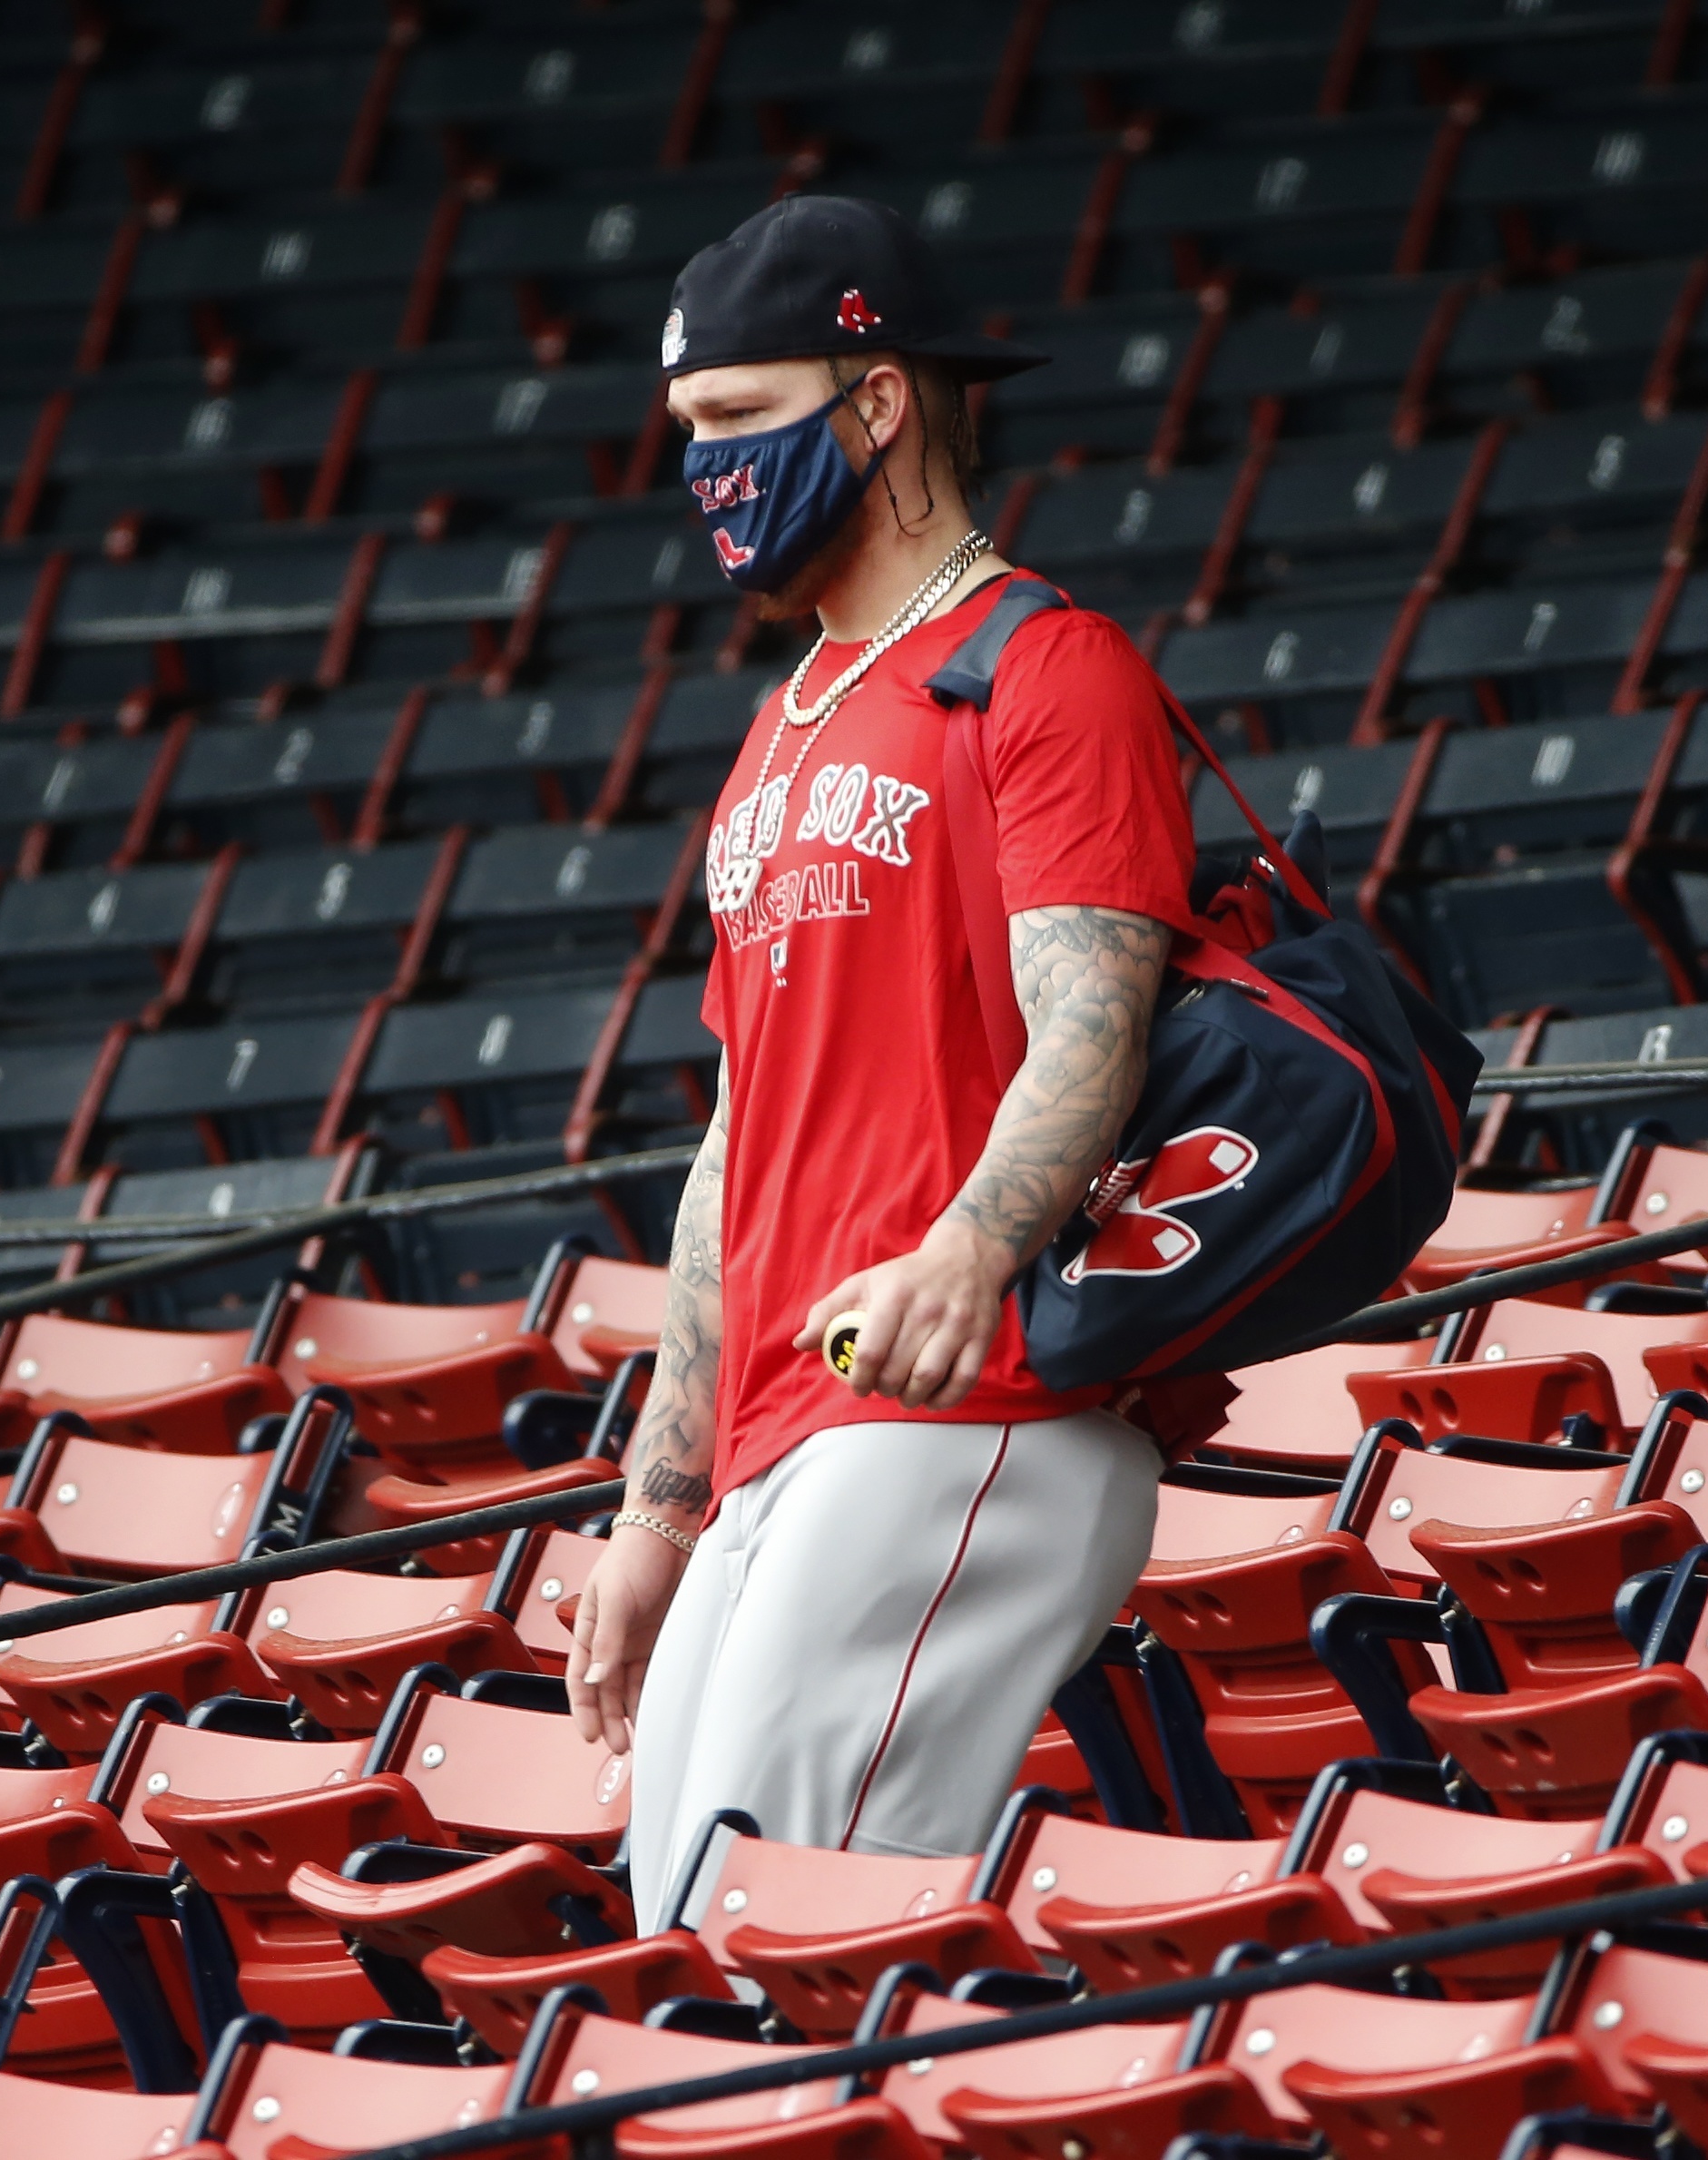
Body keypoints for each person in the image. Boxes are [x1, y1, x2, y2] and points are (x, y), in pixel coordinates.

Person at [563, 195, 1201, 1920]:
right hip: (783, 1425)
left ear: (877, 400)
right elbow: (733, 1142)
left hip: (968, 1394)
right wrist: (656, 1506)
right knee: (683, 1944)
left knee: (768, 1947)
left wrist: (974, 1245)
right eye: (683, 432)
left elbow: (1093, 1012)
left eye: (734, 418)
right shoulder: (779, 730)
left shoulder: (1044, 667)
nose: (699, 468)